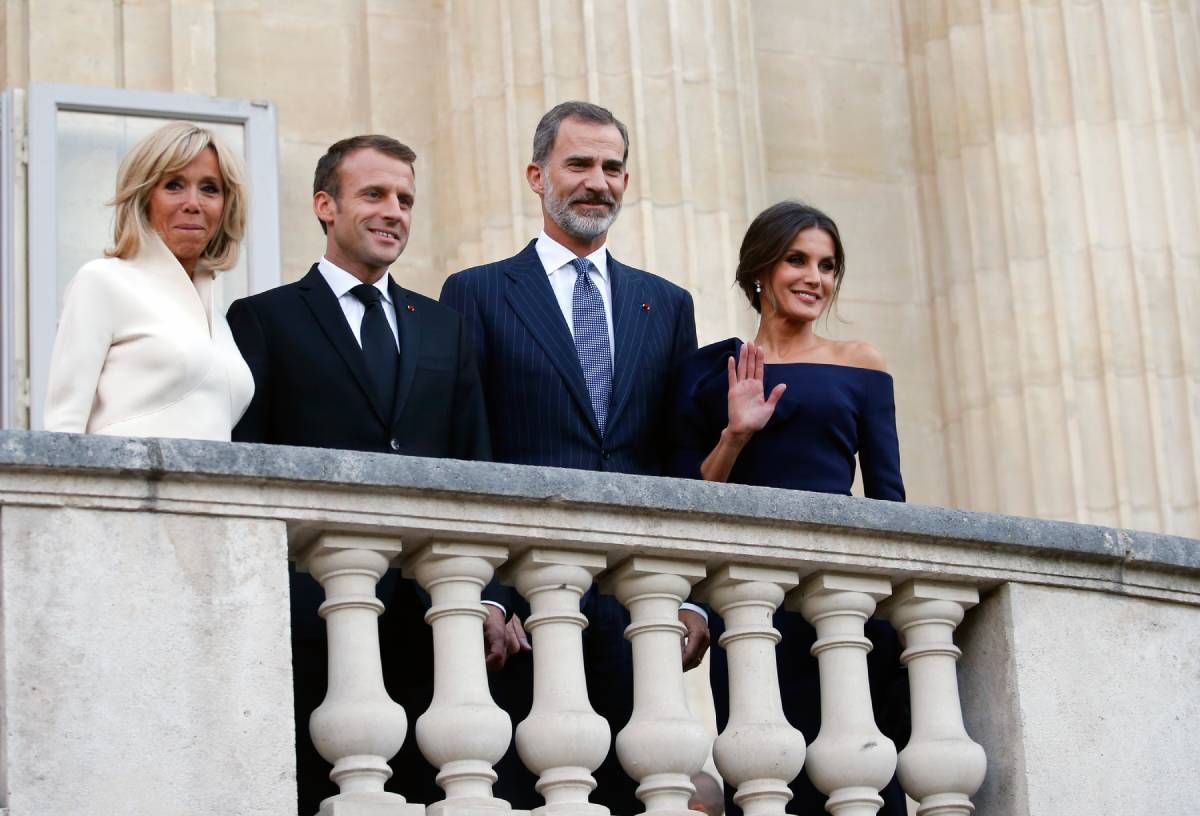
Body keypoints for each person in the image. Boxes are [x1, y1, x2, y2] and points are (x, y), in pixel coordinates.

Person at [439, 100, 709, 814]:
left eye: (612, 167)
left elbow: (679, 461)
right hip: (521, 618)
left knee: (640, 794)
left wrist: (692, 598)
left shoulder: (666, 304)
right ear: (537, 175)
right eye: (579, 164)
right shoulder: (477, 295)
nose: (598, 181)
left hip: (637, 615)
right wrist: (487, 596)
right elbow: (468, 455)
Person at [226, 134, 501, 813]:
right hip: (310, 619)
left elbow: (479, 467)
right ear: (326, 205)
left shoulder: (447, 329)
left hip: (434, 620)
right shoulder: (263, 320)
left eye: (405, 199)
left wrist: (495, 597)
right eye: (374, 194)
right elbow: (248, 466)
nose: (394, 211)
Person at [670, 200, 909, 815]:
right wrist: (736, 433)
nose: (815, 278)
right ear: (760, 270)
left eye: (827, 266)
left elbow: (890, 497)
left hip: (846, 607)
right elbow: (692, 502)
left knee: (863, 783)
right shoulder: (711, 371)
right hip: (753, 608)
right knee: (769, 785)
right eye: (797, 260)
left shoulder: (860, 363)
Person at [44, 121, 252, 439]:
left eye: (210, 188)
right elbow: (63, 428)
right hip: (122, 484)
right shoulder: (102, 281)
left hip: (209, 487)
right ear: (144, 197)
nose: (193, 204)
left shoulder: (216, 315)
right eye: (174, 185)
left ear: (225, 206)